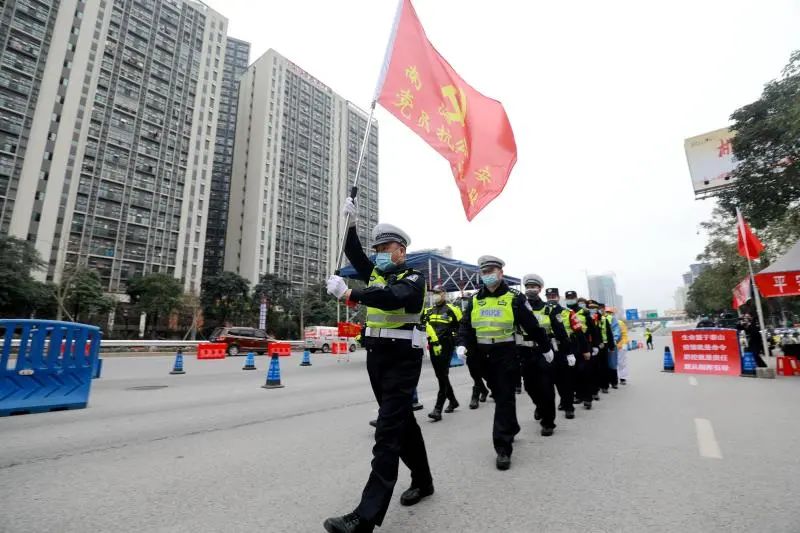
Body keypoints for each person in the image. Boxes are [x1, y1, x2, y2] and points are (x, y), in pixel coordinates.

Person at [323, 204, 432, 533]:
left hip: (402, 358)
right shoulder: (375, 274)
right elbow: (351, 250)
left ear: (401, 250)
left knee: (386, 433)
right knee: (404, 424)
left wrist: (349, 293)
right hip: (377, 356)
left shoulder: (413, 279)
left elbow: (391, 299)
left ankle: (365, 517)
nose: (381, 255)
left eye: (386, 249)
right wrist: (351, 223)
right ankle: (424, 481)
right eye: (378, 250)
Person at [456, 256, 552, 470]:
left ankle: (502, 448)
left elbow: (532, 325)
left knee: (504, 398)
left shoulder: (514, 298)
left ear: (500, 272)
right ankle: (512, 426)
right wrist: (461, 344)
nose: (488, 275)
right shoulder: (475, 300)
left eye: (491, 270)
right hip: (481, 355)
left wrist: (546, 347)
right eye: (484, 271)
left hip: (505, 353)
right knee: (500, 395)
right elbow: (465, 325)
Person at [516, 274, 565, 434]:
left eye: (534, 286)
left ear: (540, 289)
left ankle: (548, 422)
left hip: (545, 352)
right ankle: (540, 406)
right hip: (525, 352)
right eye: (528, 286)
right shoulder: (518, 306)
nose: (531, 289)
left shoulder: (548, 309)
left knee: (546, 387)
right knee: (530, 386)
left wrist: (568, 352)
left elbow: (560, 332)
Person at [422, 284, 461, 422]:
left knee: (443, 375)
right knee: (440, 375)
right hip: (433, 346)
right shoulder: (429, 311)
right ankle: (453, 400)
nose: (435, 295)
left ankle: (438, 409)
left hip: (446, 346)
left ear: (444, 293)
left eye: (438, 292)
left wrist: (458, 342)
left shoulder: (452, 309)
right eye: (434, 293)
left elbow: (461, 327)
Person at [545, 287, 579, 419]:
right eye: (549, 297)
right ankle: (542, 407)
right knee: (546, 382)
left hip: (562, 349)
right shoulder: (543, 311)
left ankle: (568, 406)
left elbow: (569, 334)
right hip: (546, 350)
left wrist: (570, 353)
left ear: (558, 298)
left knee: (564, 381)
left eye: (554, 296)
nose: (551, 299)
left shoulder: (566, 312)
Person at [566, 293, 599, 409]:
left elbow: (593, 330)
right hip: (571, 345)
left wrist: (595, 345)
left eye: (572, 298)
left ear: (575, 298)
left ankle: (588, 398)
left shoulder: (585, 312)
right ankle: (578, 395)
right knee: (574, 372)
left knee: (585, 371)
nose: (570, 300)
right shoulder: (563, 312)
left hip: (584, 344)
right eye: (568, 298)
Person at [616, 317, 630, 385]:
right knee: (612, 363)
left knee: (621, 362)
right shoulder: (604, 320)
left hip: (621, 346)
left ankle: (622, 378)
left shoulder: (620, 323)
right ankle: (614, 378)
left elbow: (624, 335)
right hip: (611, 346)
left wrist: (623, 344)